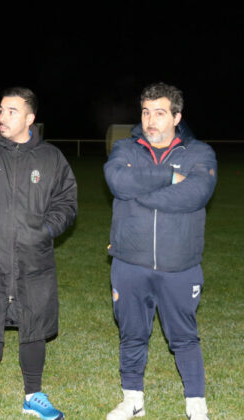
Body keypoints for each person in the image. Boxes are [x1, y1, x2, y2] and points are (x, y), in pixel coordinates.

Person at [0, 87, 77, 420]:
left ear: (30, 118)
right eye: (1, 110)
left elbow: (66, 202)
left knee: (33, 322)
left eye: (11, 111)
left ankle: (33, 394)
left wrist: (46, 230)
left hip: (33, 261)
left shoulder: (50, 158)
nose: (2, 117)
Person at [104, 82, 217, 420]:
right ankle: (133, 400)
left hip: (179, 267)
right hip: (129, 264)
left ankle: (196, 405)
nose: (150, 120)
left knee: (184, 337)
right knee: (132, 334)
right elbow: (118, 183)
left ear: (177, 117)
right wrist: (169, 176)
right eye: (145, 112)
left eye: (160, 113)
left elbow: (196, 194)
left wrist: (139, 191)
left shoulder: (200, 153)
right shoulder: (124, 149)